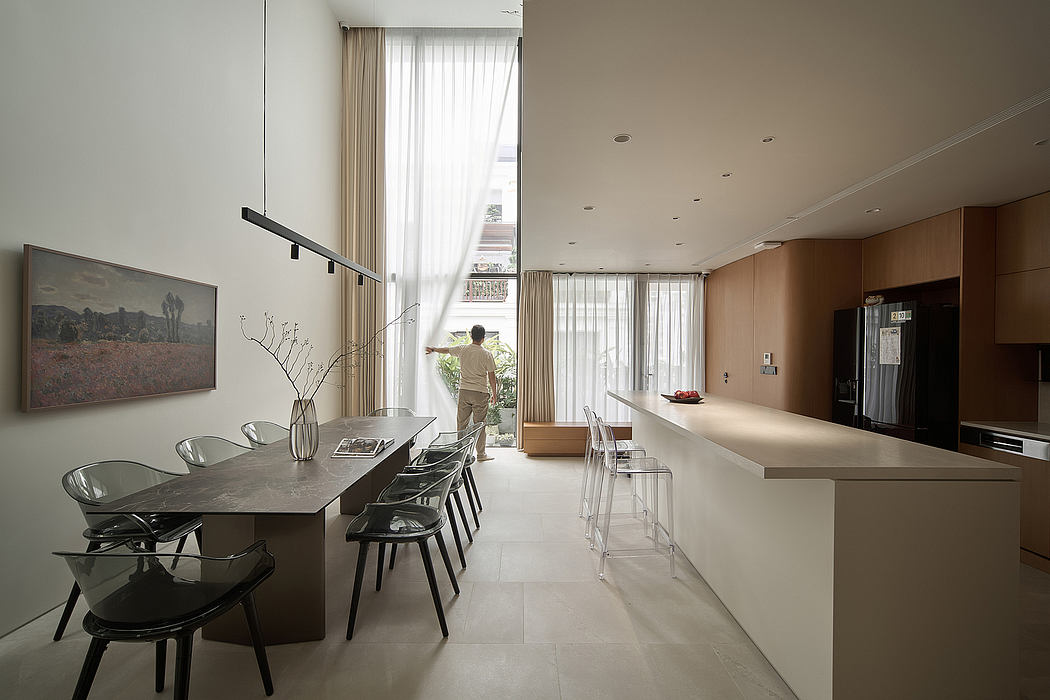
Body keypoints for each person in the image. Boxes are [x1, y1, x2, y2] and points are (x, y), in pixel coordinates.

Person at [425, 325, 499, 462]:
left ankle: (461, 453)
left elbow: (446, 350)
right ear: (483, 338)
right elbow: (492, 377)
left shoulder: (463, 349)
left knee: (461, 423)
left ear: (471, 336)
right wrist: (494, 394)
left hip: (464, 391)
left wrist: (433, 349)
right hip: (480, 393)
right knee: (480, 424)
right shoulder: (487, 354)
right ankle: (481, 454)